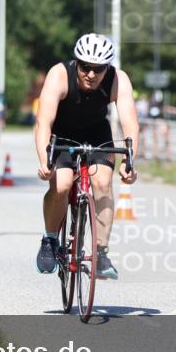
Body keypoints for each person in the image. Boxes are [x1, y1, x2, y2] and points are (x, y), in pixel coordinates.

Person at [34, 33, 139, 279]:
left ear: (108, 67)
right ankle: (50, 240)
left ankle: (101, 252)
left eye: (98, 69)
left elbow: (130, 125)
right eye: (85, 67)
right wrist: (43, 160)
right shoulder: (59, 75)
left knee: (102, 183)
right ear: (76, 63)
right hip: (61, 134)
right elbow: (44, 122)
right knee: (61, 185)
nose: (91, 74)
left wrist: (129, 161)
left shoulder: (118, 80)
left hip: (96, 133)